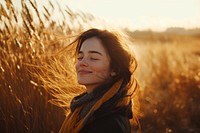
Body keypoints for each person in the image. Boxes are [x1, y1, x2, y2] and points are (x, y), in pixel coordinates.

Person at [55, 28, 140, 133]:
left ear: (114, 69)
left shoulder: (108, 123)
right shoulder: (85, 109)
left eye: (94, 58)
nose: (82, 63)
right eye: (80, 57)